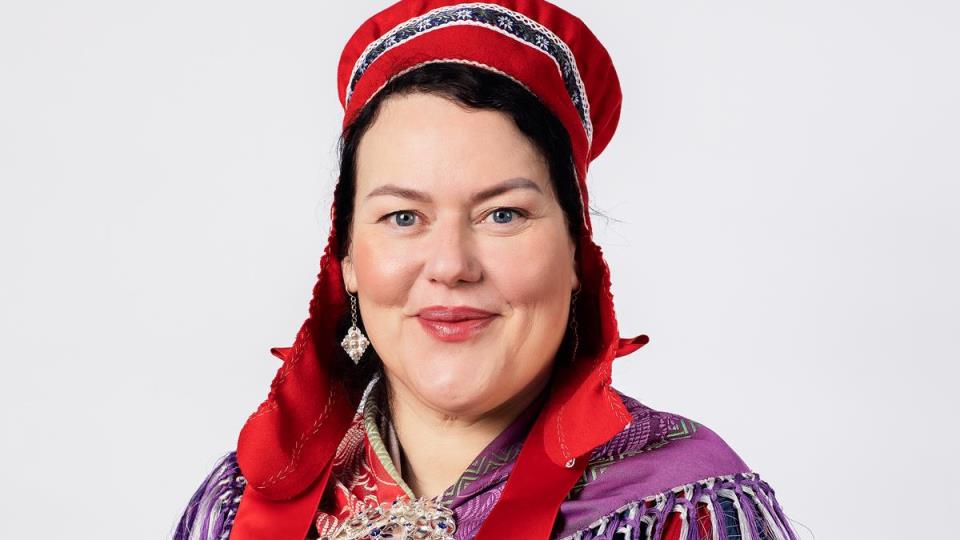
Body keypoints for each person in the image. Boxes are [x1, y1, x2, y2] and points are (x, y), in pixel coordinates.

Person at [175, 1, 799, 539]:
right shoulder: (243, 505)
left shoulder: (678, 508)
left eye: (502, 215)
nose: (451, 266)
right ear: (347, 260)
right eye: (402, 217)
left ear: (577, 252)